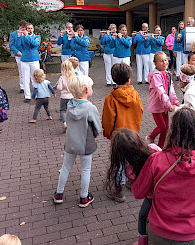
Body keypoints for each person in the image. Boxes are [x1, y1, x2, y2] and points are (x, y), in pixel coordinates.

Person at [131, 107, 195, 245]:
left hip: (159, 233)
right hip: (194, 235)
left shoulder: (156, 160)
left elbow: (138, 192)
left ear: (173, 131)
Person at [105, 129, 161, 245]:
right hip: (164, 190)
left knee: (142, 217)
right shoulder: (153, 148)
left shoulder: (130, 170)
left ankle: (143, 242)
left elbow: (138, 193)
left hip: (152, 197)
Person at [53, 75, 102, 207]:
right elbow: (98, 127)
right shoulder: (90, 108)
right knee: (85, 169)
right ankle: (84, 197)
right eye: (91, 87)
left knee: (66, 167)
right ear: (86, 90)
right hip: (85, 143)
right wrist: (96, 132)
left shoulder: (70, 104)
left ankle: (59, 193)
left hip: (70, 141)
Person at [102, 63, 143, 202]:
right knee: (132, 159)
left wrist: (109, 134)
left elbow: (108, 121)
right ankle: (133, 181)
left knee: (119, 163)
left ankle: (119, 191)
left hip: (118, 137)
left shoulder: (110, 99)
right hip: (133, 133)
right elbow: (140, 112)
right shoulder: (136, 95)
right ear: (129, 79)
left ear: (113, 78)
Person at [146, 52, 179, 148]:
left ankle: (160, 147)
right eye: (161, 61)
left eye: (165, 60)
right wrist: (169, 105)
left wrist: (175, 102)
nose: (164, 62)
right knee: (162, 126)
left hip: (164, 105)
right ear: (155, 64)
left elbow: (171, 89)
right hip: (156, 105)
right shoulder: (156, 75)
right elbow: (160, 91)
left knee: (166, 128)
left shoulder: (167, 74)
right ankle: (150, 137)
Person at [20, 23, 41, 102]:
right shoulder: (22, 37)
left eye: (31, 28)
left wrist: (27, 36)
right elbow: (18, 45)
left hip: (34, 59)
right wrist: (20, 36)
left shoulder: (37, 37)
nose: (30, 30)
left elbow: (35, 44)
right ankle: (27, 96)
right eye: (28, 28)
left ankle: (36, 94)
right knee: (25, 78)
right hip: (25, 59)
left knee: (36, 77)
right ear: (26, 29)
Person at [56, 60, 75, 132]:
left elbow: (59, 88)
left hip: (64, 97)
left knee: (63, 110)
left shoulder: (62, 78)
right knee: (72, 109)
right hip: (72, 96)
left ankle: (65, 123)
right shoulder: (74, 77)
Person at [9, 20, 27, 93]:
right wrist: (17, 52)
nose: (23, 29)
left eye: (24, 27)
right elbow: (11, 45)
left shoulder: (27, 33)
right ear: (19, 26)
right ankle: (22, 86)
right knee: (21, 70)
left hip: (27, 54)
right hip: (19, 55)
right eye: (22, 27)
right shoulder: (13, 34)